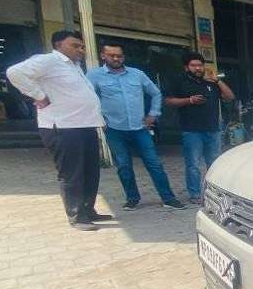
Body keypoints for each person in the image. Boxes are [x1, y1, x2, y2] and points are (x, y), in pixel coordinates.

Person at [6, 30, 111, 231]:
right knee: (72, 172)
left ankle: (88, 210)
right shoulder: (48, 61)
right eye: (75, 45)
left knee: (90, 170)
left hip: (85, 125)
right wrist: (38, 95)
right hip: (62, 127)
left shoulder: (74, 66)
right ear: (58, 45)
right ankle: (76, 215)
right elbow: (14, 72)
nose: (80, 50)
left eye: (81, 46)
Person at [87, 43, 185, 211]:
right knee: (124, 166)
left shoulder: (137, 74)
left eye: (119, 55)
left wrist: (153, 114)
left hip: (140, 129)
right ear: (103, 56)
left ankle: (168, 198)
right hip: (114, 129)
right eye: (112, 55)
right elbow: (88, 98)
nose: (116, 58)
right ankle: (132, 198)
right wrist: (99, 119)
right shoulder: (94, 76)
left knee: (154, 164)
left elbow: (155, 93)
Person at [164, 52, 234, 203]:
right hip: (191, 130)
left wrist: (218, 81)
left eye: (200, 65)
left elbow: (229, 97)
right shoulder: (180, 82)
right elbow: (169, 101)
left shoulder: (211, 83)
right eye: (194, 65)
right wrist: (189, 100)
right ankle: (195, 194)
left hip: (213, 129)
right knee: (193, 164)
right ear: (186, 67)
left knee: (214, 163)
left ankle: (215, 192)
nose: (198, 68)